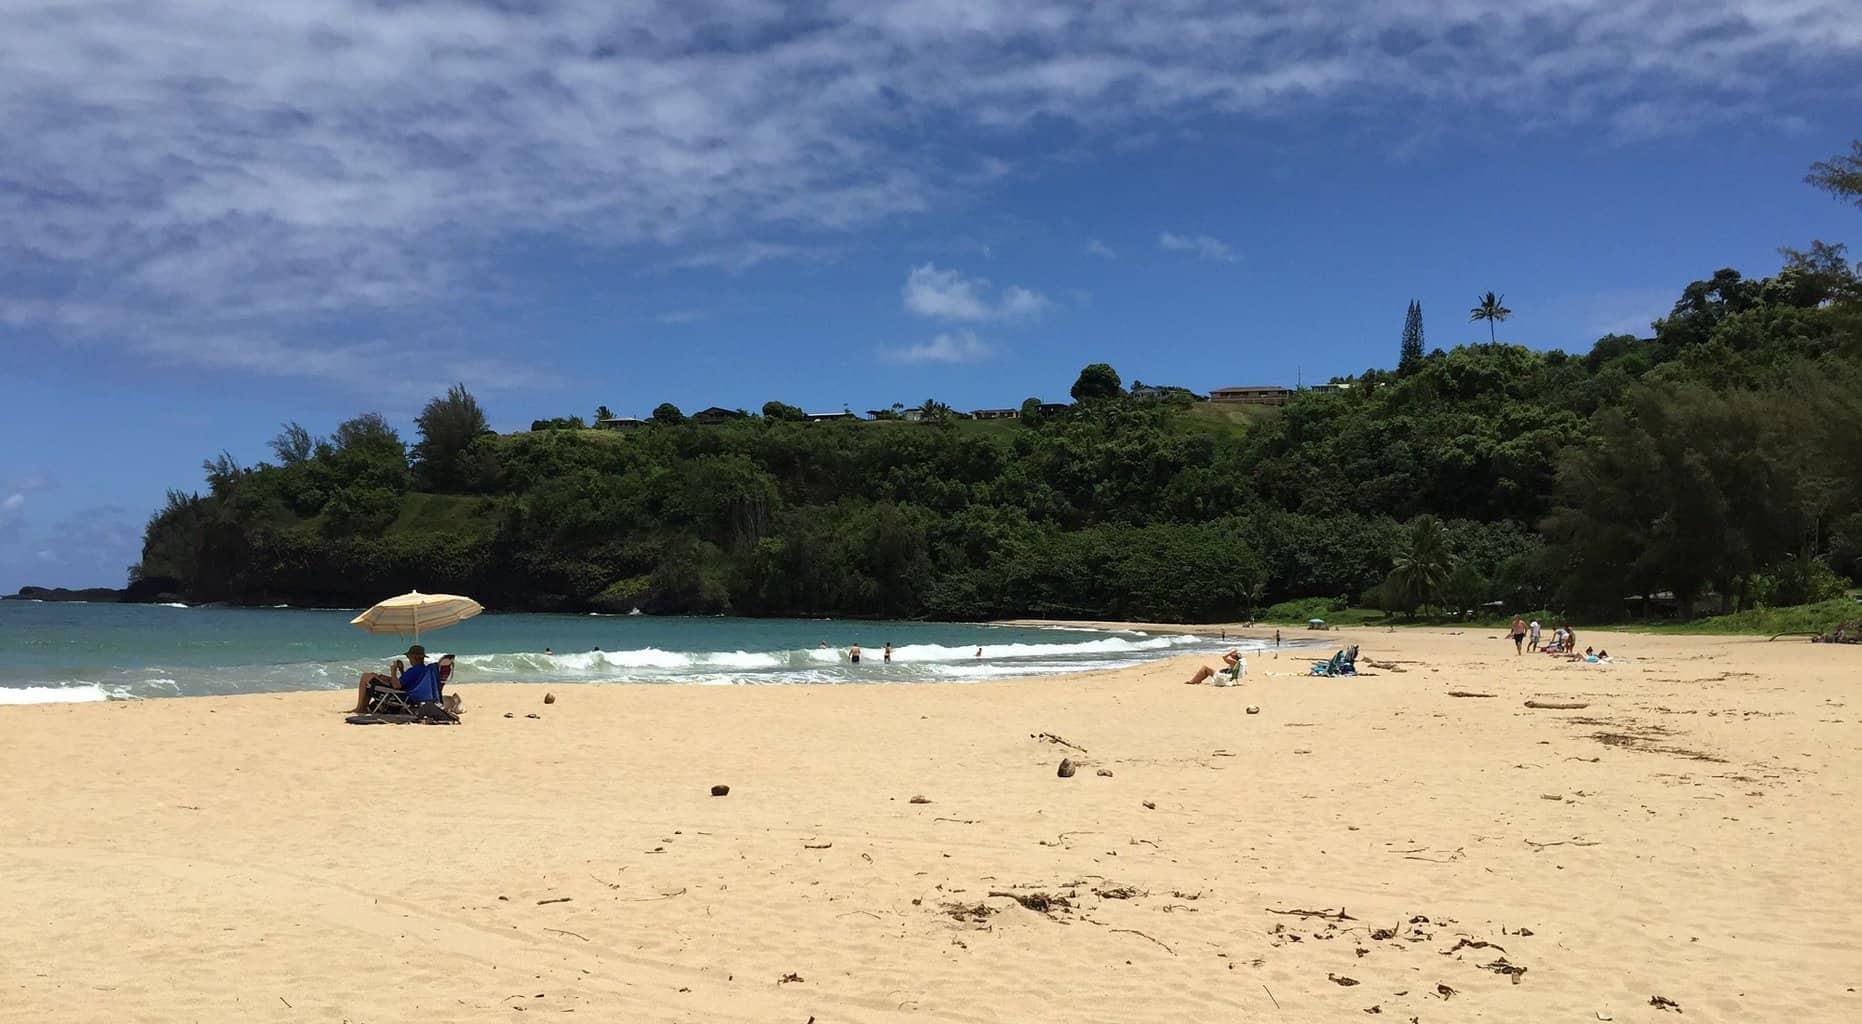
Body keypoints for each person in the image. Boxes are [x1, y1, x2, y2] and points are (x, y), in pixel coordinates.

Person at [352, 644, 443, 713]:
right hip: (407, 693)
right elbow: (408, 683)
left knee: (366, 676)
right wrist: (402, 670)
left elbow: (396, 686)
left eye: (409, 657)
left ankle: (360, 708)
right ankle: (363, 707)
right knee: (376, 676)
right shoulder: (422, 669)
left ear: (415, 657)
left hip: (399, 694)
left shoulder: (414, 670)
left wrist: (393, 671)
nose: (409, 659)